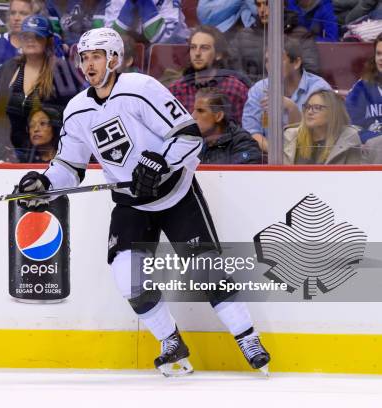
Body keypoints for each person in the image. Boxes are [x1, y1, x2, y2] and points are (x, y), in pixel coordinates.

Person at [16, 27, 270, 376]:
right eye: (84, 57)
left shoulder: (141, 89)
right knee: (126, 276)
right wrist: (44, 182)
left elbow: (189, 138)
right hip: (131, 202)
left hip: (175, 193)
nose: (88, 64)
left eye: (96, 56)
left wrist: (161, 162)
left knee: (206, 270)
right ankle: (170, 340)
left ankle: (247, 336)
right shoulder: (77, 110)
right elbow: (68, 167)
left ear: (115, 59)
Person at [0, 14, 80, 153]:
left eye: (37, 36)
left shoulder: (62, 70)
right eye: (26, 36)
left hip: (48, 153)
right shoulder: (9, 67)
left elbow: (70, 119)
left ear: (48, 41)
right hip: (8, 152)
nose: (31, 41)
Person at [242, 37, 331, 153]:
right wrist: (277, 153)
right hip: (268, 158)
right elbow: (251, 132)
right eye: (268, 60)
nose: (271, 66)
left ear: (296, 62)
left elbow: (320, 137)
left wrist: (292, 108)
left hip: (310, 159)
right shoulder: (259, 89)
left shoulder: (319, 89)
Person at [169, 25, 250, 126]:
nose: (197, 53)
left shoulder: (234, 88)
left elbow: (246, 131)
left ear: (218, 54)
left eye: (204, 48)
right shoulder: (177, 90)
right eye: (193, 47)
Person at [228, 0, 321, 83]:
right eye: (259, 5)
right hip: (250, 95)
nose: (262, 10)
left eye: (267, 4)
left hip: (288, 96)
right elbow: (231, 69)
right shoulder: (243, 36)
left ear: (282, 5)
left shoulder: (300, 35)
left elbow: (310, 72)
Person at [0, 0, 65, 74]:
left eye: (23, 13)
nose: (16, 18)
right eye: (13, 13)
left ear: (37, 17)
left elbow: (61, 77)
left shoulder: (51, 42)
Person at [283, 89, 361, 164]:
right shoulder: (291, 136)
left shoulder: (348, 138)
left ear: (332, 112)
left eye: (317, 108)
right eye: (308, 107)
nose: (309, 112)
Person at [193, 88, 262, 164]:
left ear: (218, 116)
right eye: (194, 110)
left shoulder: (243, 144)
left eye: (200, 111)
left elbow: (242, 174)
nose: (193, 116)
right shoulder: (193, 142)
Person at [345, 33, 382, 142]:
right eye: (378, 53)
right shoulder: (361, 88)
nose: (381, 58)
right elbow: (351, 129)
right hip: (371, 153)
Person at [107, 0, 190, 44]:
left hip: (173, 53)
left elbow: (164, 38)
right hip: (132, 56)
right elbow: (111, 37)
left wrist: (144, 2)